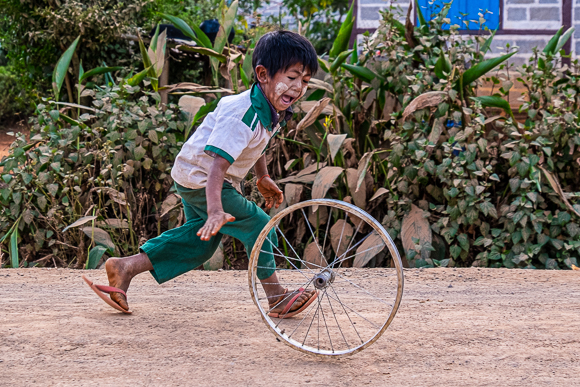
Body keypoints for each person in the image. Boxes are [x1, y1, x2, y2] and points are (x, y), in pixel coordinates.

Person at [83, 30, 319, 318]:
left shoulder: (271, 107)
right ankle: (276, 296)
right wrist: (216, 209)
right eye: (292, 77)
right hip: (203, 178)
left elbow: (259, 142)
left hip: (195, 175)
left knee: (200, 245)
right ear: (263, 74)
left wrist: (262, 176)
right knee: (258, 223)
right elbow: (218, 164)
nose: (298, 87)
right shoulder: (243, 114)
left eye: (305, 81)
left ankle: (125, 268)